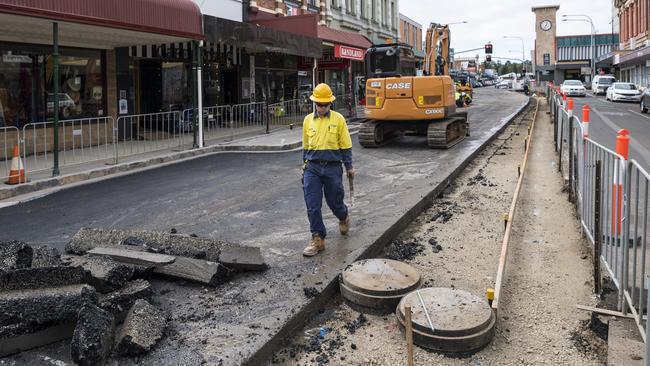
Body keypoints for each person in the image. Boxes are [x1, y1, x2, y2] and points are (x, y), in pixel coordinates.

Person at [301, 83, 355, 257]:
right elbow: (305, 146)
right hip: (313, 167)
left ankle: (343, 216)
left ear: (330, 103)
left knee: (334, 202)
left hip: (332, 167)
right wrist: (304, 166)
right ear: (315, 103)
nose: (323, 107)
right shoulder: (308, 120)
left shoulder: (338, 119)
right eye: (320, 104)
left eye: (326, 104)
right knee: (313, 205)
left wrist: (349, 167)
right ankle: (318, 239)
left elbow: (346, 145)